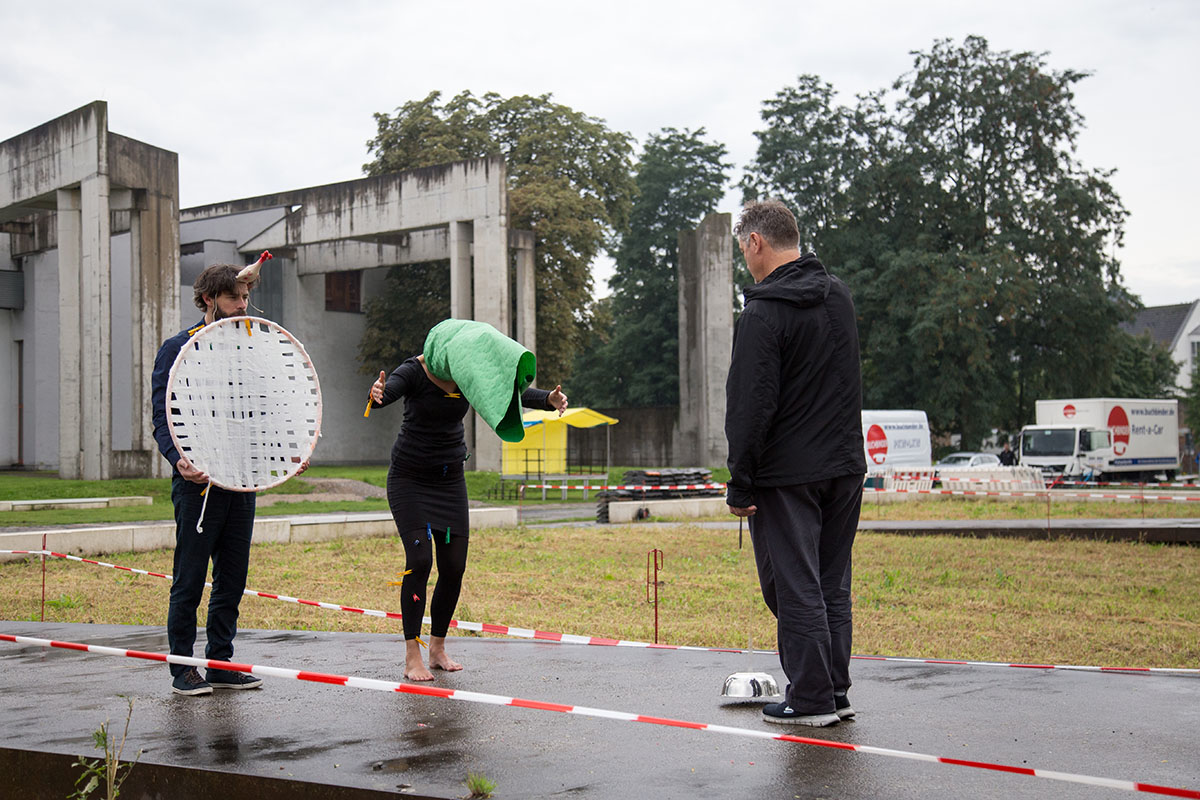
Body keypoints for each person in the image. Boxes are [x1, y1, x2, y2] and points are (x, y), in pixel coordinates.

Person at [725, 200, 867, 727]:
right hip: (845, 465)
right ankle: (834, 691)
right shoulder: (839, 296)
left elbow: (750, 405)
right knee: (831, 583)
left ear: (756, 242)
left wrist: (741, 482)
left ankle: (809, 699)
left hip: (788, 475)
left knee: (794, 586)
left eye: (743, 248)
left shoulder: (762, 313)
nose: (745, 260)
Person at [367, 324, 567, 681]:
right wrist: (377, 393)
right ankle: (412, 656)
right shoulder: (413, 370)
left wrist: (548, 401)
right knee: (419, 561)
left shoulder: (465, 373)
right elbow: (387, 392)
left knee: (454, 566)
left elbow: (507, 392)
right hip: (410, 479)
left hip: (449, 480)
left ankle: (437, 648)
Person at [151, 263, 307, 696]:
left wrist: (289, 451)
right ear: (208, 299)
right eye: (234, 298)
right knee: (189, 579)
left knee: (232, 579)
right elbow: (163, 417)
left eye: (245, 297)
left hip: (243, 481)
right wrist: (177, 460)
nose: (243, 305)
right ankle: (183, 668)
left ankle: (220, 663)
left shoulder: (250, 349)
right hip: (198, 486)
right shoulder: (178, 349)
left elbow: (267, 409)